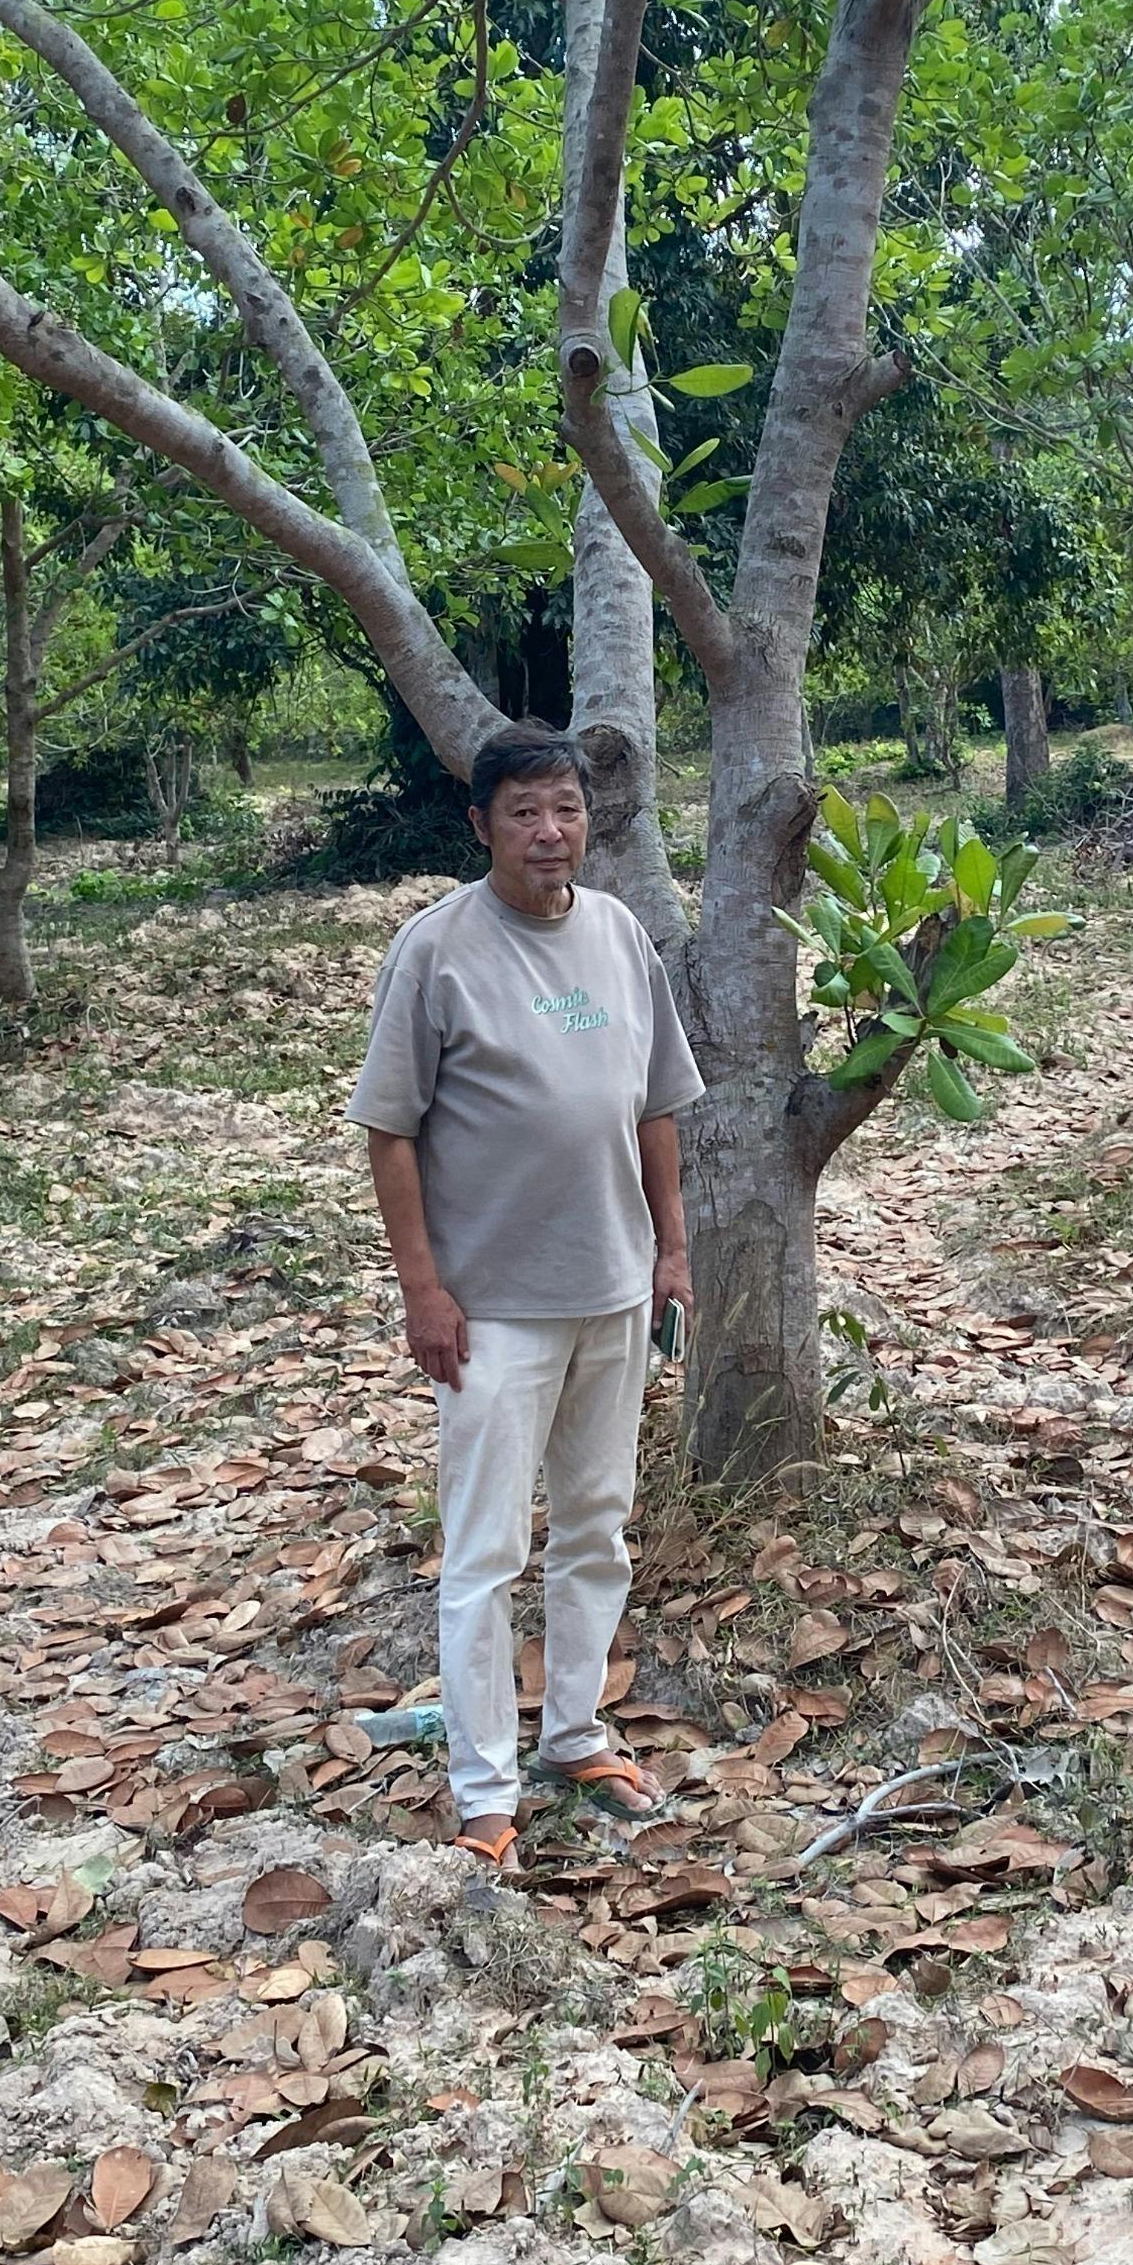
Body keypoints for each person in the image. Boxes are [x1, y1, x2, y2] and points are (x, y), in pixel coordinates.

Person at [348, 720, 703, 1867]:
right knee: (485, 1553)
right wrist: (424, 1290)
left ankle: (577, 1735)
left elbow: (657, 1106)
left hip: (614, 1289)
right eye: (525, 813)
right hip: (492, 1307)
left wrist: (672, 1252)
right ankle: (485, 1791)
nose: (550, 832)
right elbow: (390, 1131)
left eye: (567, 809)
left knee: (597, 1528)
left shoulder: (619, 935)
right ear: (482, 826)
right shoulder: (438, 950)